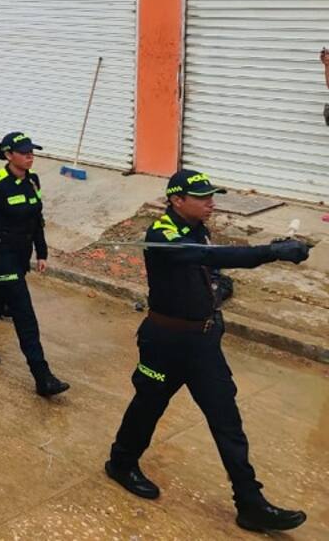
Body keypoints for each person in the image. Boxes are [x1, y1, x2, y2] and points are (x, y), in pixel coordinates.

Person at [105, 170, 309, 533]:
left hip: (202, 344)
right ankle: (121, 463)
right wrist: (271, 253)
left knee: (226, 420)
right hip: (164, 343)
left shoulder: (197, 227)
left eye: (212, 195)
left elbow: (210, 266)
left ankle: (250, 503)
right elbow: (210, 256)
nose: (210, 202)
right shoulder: (163, 235)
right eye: (202, 197)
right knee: (148, 406)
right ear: (176, 200)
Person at [0, 132, 69, 397]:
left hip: (21, 253)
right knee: (23, 310)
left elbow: (36, 218)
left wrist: (41, 252)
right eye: (24, 152)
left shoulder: (32, 181)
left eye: (32, 151)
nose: (30, 156)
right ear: (9, 155)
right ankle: (42, 375)